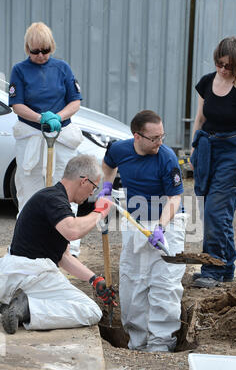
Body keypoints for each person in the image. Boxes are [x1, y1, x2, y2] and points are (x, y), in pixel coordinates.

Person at [99, 110, 187, 353]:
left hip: (167, 223)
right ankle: (137, 344)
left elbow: (175, 198)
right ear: (136, 136)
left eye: (162, 136)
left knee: (164, 284)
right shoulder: (120, 150)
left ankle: (160, 345)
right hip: (134, 223)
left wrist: (160, 227)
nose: (160, 142)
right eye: (154, 138)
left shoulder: (167, 158)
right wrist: (107, 185)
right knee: (133, 283)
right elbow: (108, 164)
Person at [0, 155, 115, 335]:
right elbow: (72, 230)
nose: (92, 193)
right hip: (33, 274)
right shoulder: (54, 199)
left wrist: (94, 279)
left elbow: (64, 256)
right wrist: (99, 212)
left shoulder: (52, 199)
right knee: (91, 311)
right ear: (84, 181)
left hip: (16, 273)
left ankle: (13, 302)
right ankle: (27, 309)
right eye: (93, 187)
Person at [8, 22, 83, 256]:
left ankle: (68, 247)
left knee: (65, 188)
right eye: (35, 51)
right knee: (29, 189)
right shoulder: (19, 70)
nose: (41, 56)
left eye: (45, 50)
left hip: (61, 136)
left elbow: (75, 101)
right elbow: (16, 104)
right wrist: (41, 118)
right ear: (27, 48)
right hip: (32, 135)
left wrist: (57, 118)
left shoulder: (62, 68)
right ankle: (28, 245)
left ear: (52, 47)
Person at [190, 36, 236, 288]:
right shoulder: (206, 82)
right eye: (220, 64)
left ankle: (212, 269)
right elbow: (199, 120)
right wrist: (194, 153)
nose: (223, 70)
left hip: (232, 152)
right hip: (208, 148)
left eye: (228, 66)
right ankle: (226, 267)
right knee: (214, 213)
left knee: (215, 212)